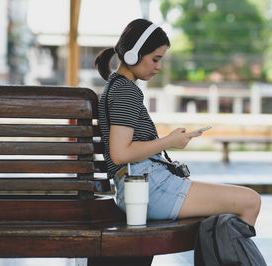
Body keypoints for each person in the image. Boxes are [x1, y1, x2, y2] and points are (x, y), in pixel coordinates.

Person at [95, 18, 261, 226]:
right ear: (133, 54)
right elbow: (120, 154)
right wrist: (169, 141)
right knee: (250, 201)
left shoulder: (116, 87)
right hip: (149, 188)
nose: (159, 66)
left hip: (143, 187)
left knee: (237, 204)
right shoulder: (126, 91)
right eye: (155, 59)